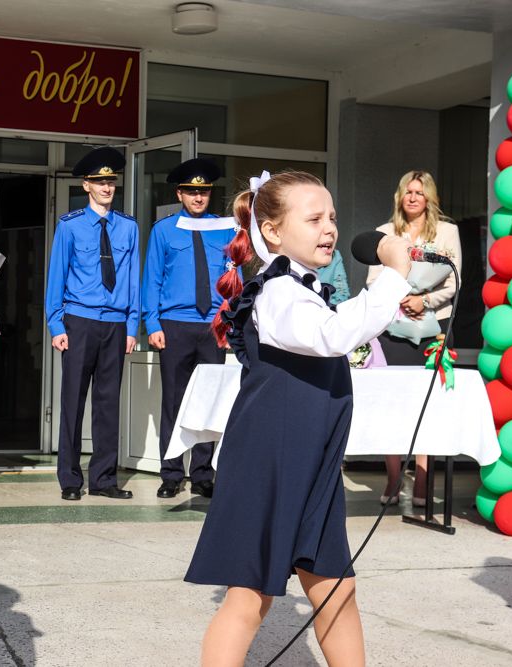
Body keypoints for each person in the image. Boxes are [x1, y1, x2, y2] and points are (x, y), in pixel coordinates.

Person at [184, 170, 412, 667]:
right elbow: (332, 335)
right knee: (250, 596)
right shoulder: (277, 292)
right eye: (313, 219)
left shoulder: (303, 289)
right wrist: (394, 275)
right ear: (272, 230)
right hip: (271, 461)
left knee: (336, 589)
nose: (329, 228)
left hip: (310, 463)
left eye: (332, 217)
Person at [45, 146, 140, 501]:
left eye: (111, 181)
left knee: (108, 404)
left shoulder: (128, 227)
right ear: (86, 185)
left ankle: (103, 479)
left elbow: (133, 280)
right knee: (73, 401)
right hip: (79, 321)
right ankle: (70, 480)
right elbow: (56, 277)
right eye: (99, 182)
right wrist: (56, 325)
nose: (107, 187)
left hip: (115, 323)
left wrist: (132, 326)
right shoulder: (69, 226)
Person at [367, 170, 462, 506]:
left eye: (419, 193)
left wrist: (425, 300)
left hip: (435, 328)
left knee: (428, 404)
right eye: (408, 192)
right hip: (393, 328)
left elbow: (454, 281)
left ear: (429, 198)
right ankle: (394, 478)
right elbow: (373, 280)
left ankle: (423, 480)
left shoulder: (448, 232)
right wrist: (400, 298)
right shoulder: (384, 232)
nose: (413, 197)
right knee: (390, 404)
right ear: (400, 196)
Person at [142, 158, 234, 499]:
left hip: (212, 326)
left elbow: (233, 281)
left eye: (204, 191)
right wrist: (152, 322)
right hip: (175, 325)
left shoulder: (224, 229)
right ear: (179, 194)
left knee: (209, 401)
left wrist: (229, 323)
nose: (198, 197)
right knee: (174, 401)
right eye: (192, 191)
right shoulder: (164, 230)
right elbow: (152, 278)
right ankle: (171, 473)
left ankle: (202, 473)